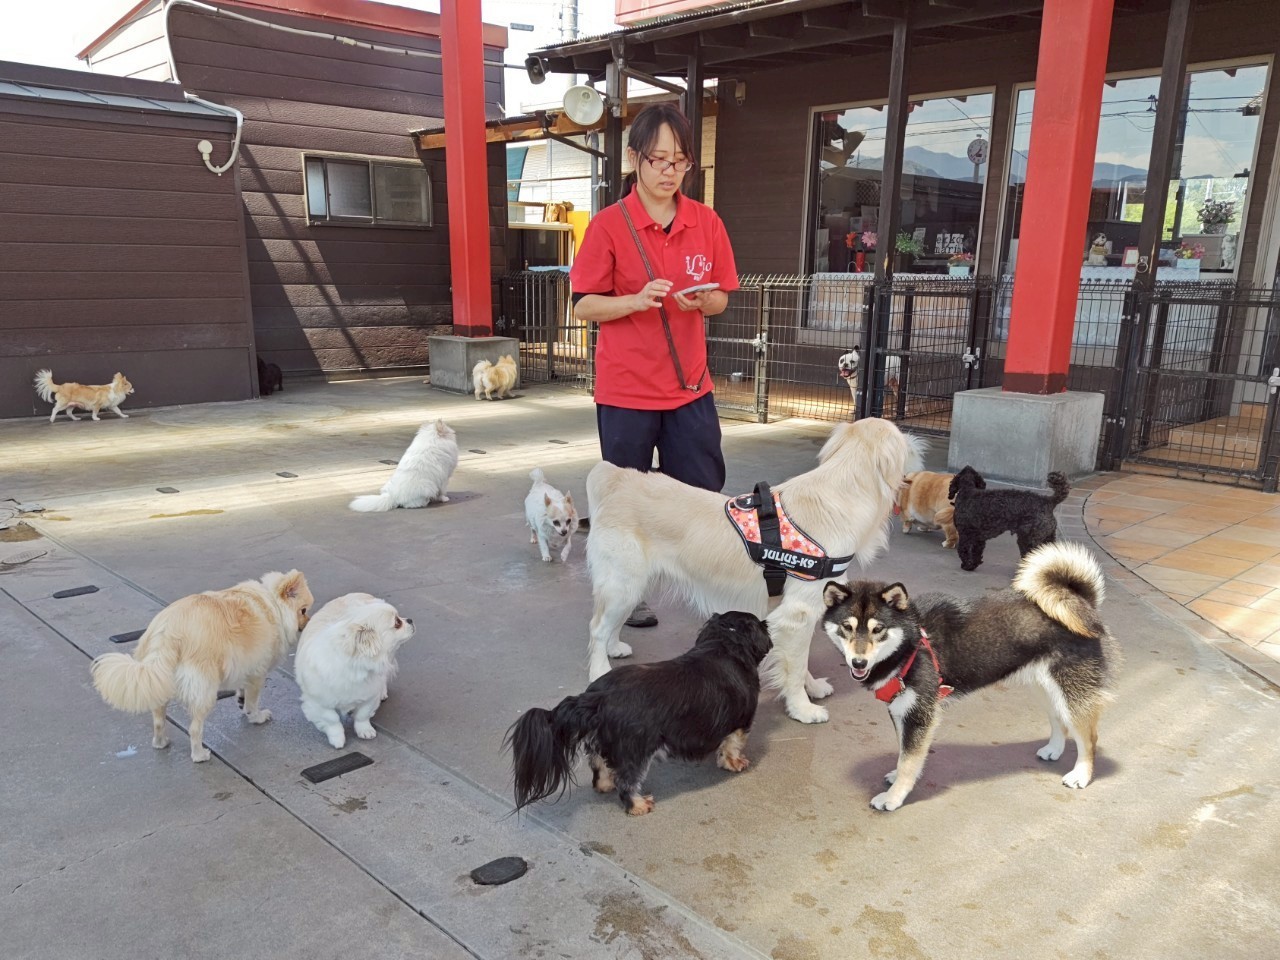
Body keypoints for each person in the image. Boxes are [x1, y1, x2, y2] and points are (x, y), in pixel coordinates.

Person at [570, 102, 739, 628]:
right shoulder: (608, 225)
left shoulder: (706, 222)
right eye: (659, 159)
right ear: (634, 158)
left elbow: (722, 297)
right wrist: (635, 301)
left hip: (690, 387)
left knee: (704, 495)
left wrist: (704, 301)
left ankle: (713, 590)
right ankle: (628, 590)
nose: (669, 171)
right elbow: (583, 305)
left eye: (680, 160)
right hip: (626, 391)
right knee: (627, 501)